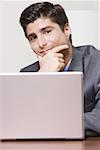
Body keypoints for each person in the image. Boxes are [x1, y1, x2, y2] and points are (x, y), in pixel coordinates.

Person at [19, 2, 100, 137]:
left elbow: (98, 120)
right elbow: (16, 122)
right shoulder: (28, 74)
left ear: (66, 29)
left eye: (47, 32)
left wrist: (44, 124)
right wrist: (42, 78)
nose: (41, 44)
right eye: (33, 38)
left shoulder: (96, 63)